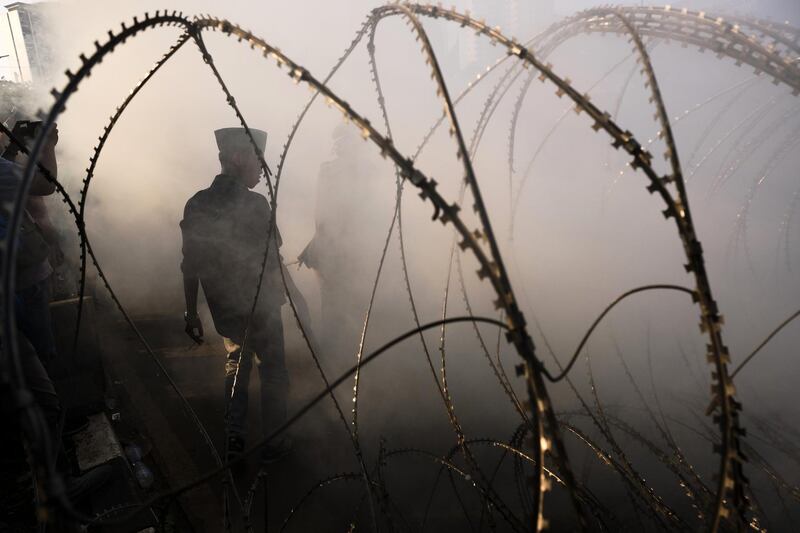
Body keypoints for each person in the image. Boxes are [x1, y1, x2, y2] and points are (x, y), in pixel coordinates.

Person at [180, 127, 291, 464]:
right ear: (239, 158)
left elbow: (190, 266)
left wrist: (191, 313)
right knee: (272, 371)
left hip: (225, 307)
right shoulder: (256, 205)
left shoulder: (196, 203)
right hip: (263, 305)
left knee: (236, 365)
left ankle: (234, 438)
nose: (261, 168)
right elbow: (274, 261)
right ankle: (275, 442)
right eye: (258, 160)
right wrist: (294, 298)